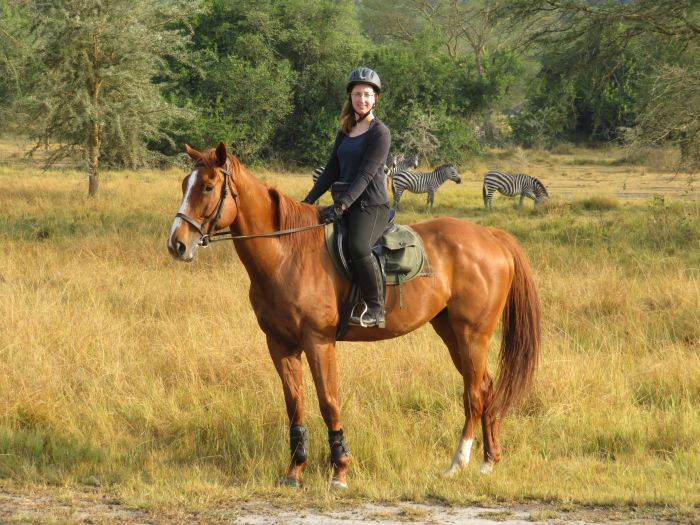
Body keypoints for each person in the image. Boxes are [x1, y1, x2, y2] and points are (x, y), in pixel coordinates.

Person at [302, 67, 391, 328]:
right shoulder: (345, 131)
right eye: (357, 94)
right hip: (346, 204)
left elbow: (365, 175)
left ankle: (376, 308)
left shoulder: (380, 133)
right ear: (349, 97)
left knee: (358, 246)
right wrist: (307, 202)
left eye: (367, 95)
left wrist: (341, 205)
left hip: (371, 206)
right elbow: (331, 170)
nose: (362, 99)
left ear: (375, 99)